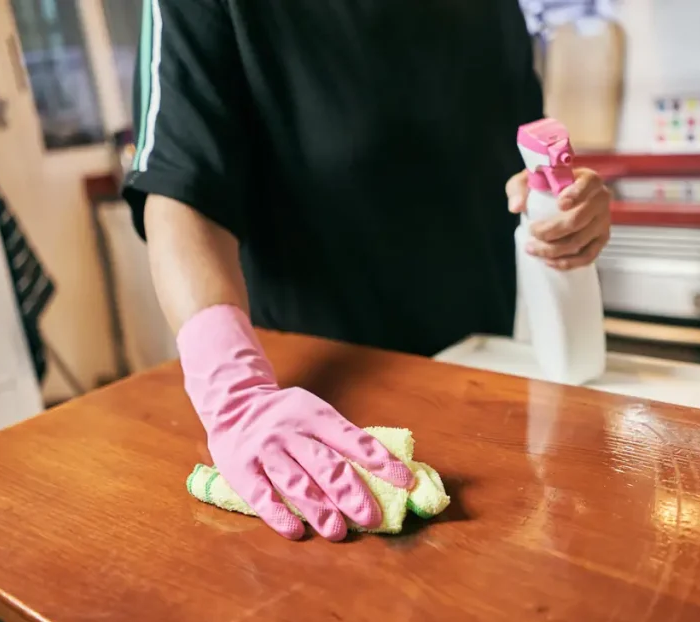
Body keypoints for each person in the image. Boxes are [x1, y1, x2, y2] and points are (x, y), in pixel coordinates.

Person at [123, 0, 612, 542]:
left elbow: (518, 161)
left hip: (493, 382)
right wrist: (234, 392)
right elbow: (179, 190)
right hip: (328, 421)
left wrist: (559, 206)